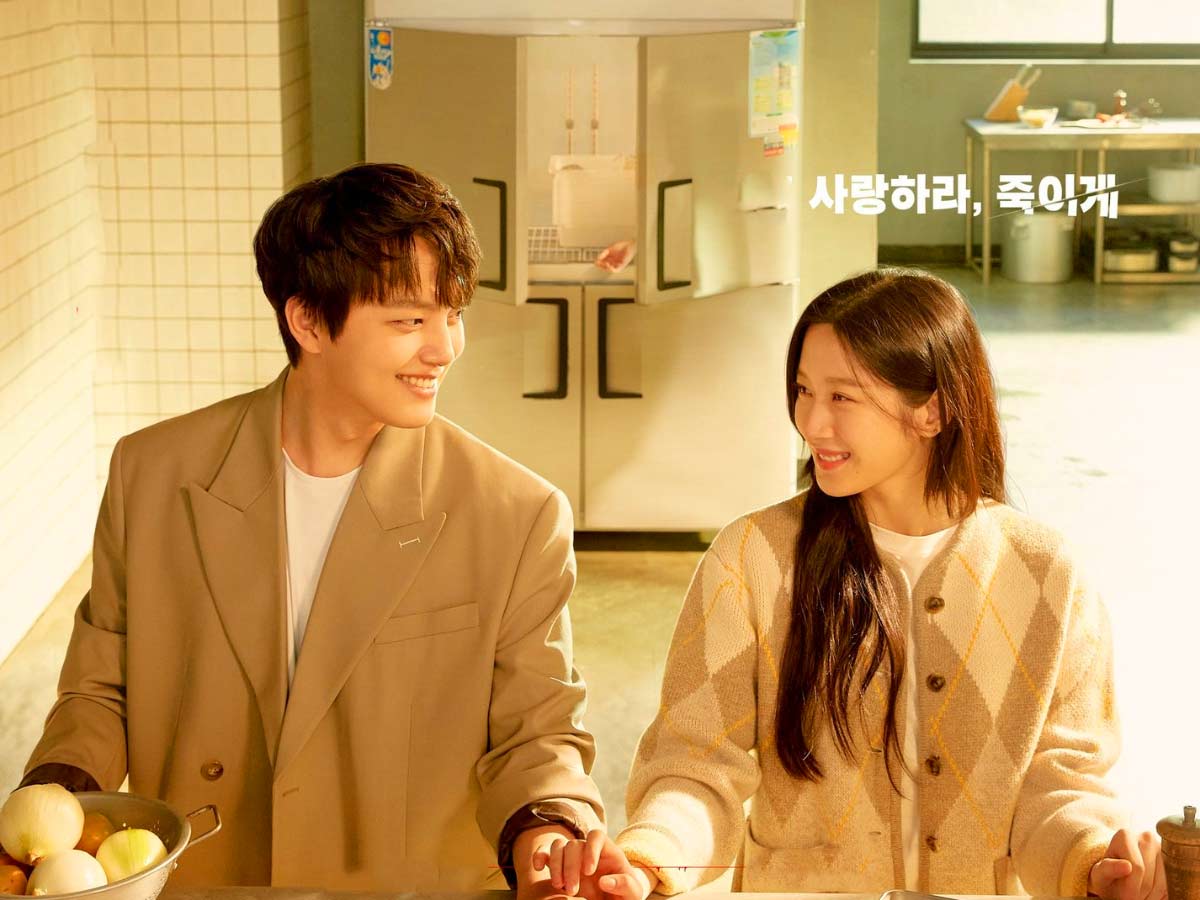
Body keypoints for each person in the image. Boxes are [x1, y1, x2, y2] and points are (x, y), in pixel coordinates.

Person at [19, 163, 604, 893]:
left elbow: (538, 731)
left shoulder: (516, 513)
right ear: (308, 322)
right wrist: (54, 807)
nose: (445, 347)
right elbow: (99, 689)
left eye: (452, 314)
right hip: (208, 878)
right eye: (409, 321)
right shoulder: (154, 475)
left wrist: (548, 830)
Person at [535, 268, 1165, 900]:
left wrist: (1094, 862)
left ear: (932, 409)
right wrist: (648, 858)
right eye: (804, 390)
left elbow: (1061, 782)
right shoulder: (750, 558)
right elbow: (696, 766)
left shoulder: (1046, 573)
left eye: (843, 397)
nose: (811, 421)